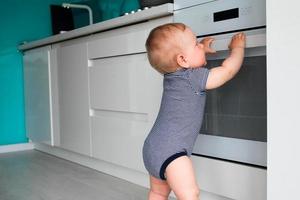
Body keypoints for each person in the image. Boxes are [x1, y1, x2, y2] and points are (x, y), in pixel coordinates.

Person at [142, 23, 245, 200]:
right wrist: (237, 49)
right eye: (196, 43)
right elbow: (227, 70)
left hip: (152, 148)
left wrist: (201, 49)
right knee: (190, 194)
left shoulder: (171, 77)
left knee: (158, 193)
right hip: (172, 153)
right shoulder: (193, 77)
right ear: (182, 60)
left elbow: (190, 60)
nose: (200, 46)